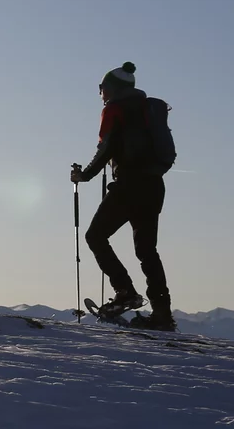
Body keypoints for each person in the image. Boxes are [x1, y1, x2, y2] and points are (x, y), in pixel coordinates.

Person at [72, 62, 178, 331]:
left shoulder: (115, 110)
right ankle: (162, 314)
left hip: (129, 185)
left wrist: (83, 176)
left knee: (95, 236)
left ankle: (125, 292)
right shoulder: (149, 110)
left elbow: (105, 148)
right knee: (146, 250)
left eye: (102, 88)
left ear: (112, 88)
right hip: (154, 186)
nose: (101, 94)